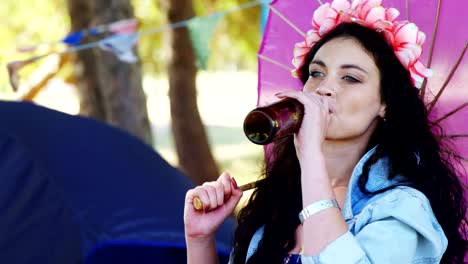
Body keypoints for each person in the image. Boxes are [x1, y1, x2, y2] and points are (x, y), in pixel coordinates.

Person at [183, 1, 468, 263]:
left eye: (351, 78)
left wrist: (311, 156)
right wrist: (199, 240)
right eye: (316, 73)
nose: (324, 87)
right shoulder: (277, 203)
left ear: (385, 104)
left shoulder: (401, 209)